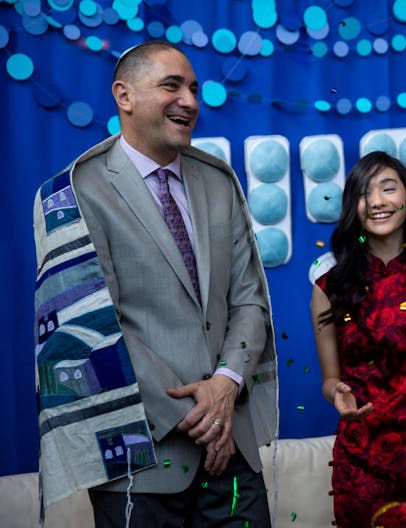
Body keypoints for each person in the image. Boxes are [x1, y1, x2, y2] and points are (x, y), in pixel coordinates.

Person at [32, 41, 278, 526]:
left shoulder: (219, 181)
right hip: (140, 461)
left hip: (232, 456)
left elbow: (250, 299)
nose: (189, 100)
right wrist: (199, 413)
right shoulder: (75, 193)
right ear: (124, 95)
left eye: (193, 88)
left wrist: (225, 386)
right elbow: (89, 327)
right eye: (172, 85)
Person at [310, 151, 406, 527]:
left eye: (388, 188)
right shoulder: (328, 288)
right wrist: (336, 393)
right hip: (360, 462)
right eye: (366, 193)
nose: (378, 201)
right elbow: (329, 379)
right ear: (354, 206)